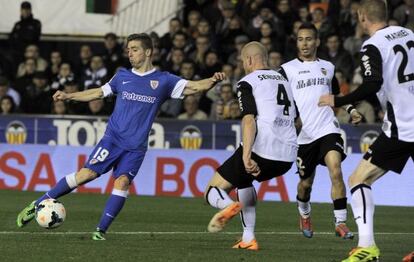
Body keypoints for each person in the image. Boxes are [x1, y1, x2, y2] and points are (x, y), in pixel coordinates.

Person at [16, 33, 225, 240]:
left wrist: (213, 80)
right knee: (86, 175)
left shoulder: (163, 80)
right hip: (112, 140)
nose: (129, 53)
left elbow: (194, 86)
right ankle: (36, 205)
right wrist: (69, 95)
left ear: (148, 51)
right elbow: (98, 92)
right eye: (128, 49)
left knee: (122, 183)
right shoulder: (122, 76)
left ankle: (100, 231)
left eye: (134, 49)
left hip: (136, 147)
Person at [318, 1, 414, 261]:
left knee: (358, 179)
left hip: (403, 127)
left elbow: (372, 84)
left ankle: (367, 247)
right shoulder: (409, 34)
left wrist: (337, 101)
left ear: (362, 17)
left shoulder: (372, 45)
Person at [204, 41, 297, 250]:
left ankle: (229, 206)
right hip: (287, 155)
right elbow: (295, 118)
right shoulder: (284, 81)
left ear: (249, 60)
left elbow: (249, 120)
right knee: (244, 182)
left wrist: (246, 155)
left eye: (242, 61)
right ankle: (248, 239)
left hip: (262, 149)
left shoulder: (248, 81)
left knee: (211, 190)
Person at [280, 22, 362, 240]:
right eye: (300, 39)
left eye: (308, 39)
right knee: (305, 185)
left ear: (316, 41)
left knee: (336, 169)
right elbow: (278, 101)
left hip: (328, 128)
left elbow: (336, 95)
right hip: (304, 135)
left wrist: (351, 109)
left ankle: (341, 222)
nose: (304, 43)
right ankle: (304, 214)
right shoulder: (287, 70)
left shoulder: (328, 67)